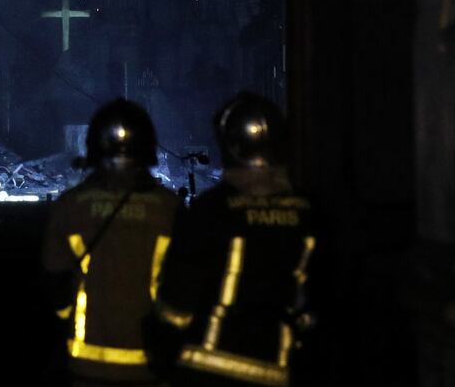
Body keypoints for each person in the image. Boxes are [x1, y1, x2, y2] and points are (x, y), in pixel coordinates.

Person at [144, 92, 315, 387]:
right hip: (287, 369)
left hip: (211, 370)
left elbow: (176, 308)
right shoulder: (314, 213)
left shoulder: (209, 212)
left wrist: (158, 350)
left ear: (227, 144)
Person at [42, 98, 182, 386]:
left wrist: (68, 315)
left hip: (85, 366)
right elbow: (185, 291)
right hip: (150, 366)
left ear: (93, 148)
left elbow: (54, 285)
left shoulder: (71, 206)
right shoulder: (169, 209)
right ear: (147, 149)